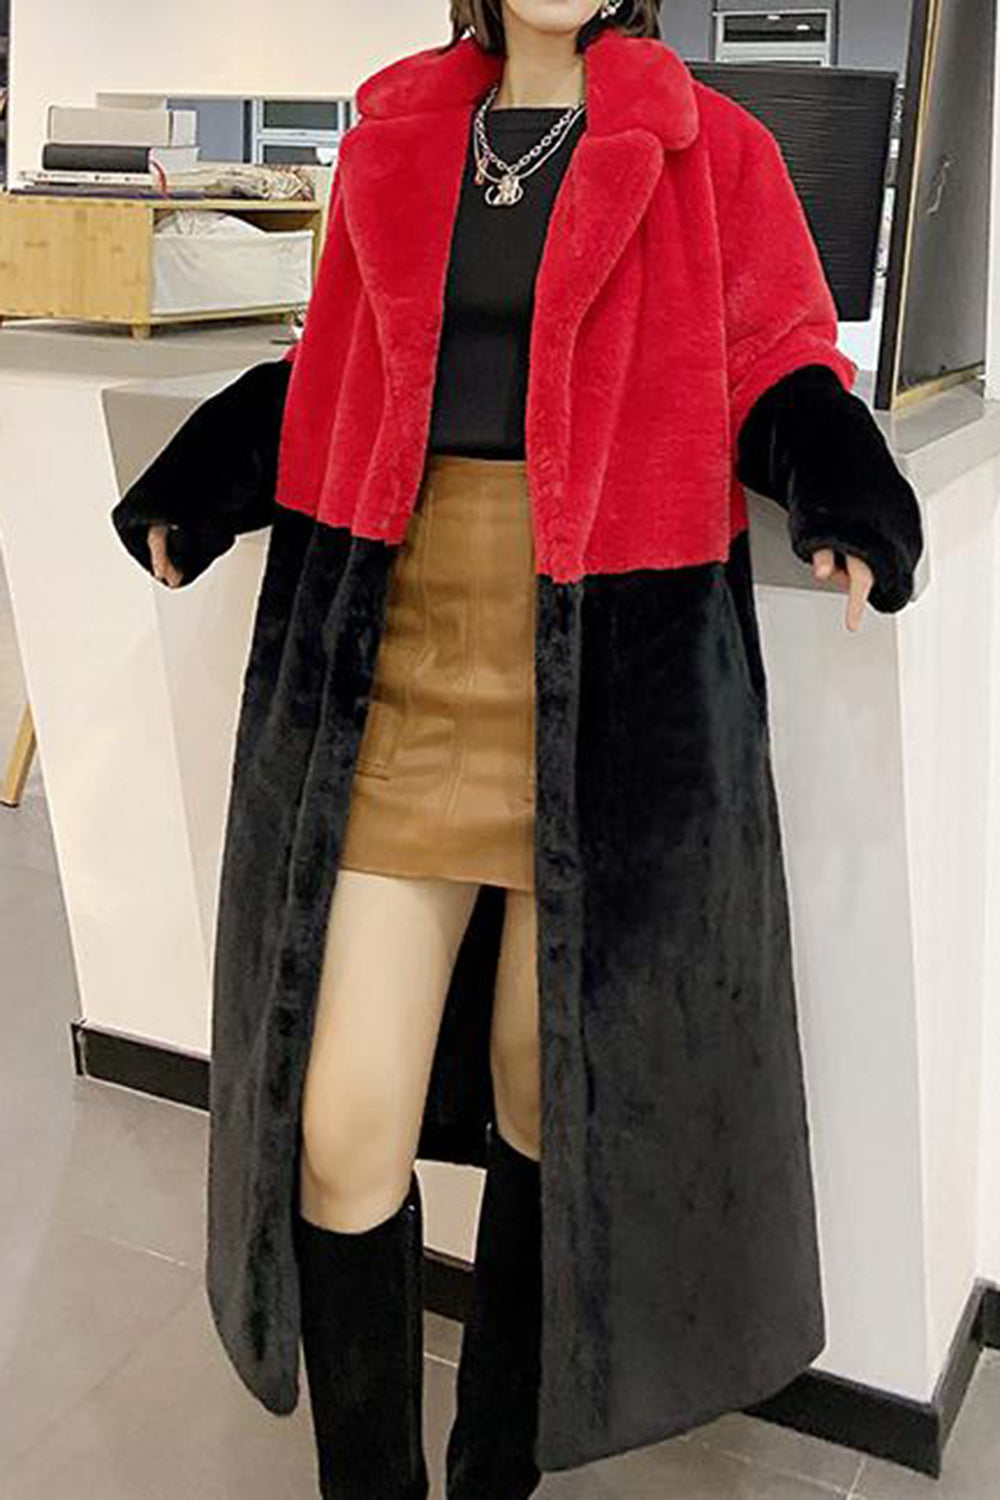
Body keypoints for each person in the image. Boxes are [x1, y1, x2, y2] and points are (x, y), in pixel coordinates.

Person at [111, 2, 924, 1497]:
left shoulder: (711, 150)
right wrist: (211, 473)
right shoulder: (397, 139)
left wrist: (844, 485)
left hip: (609, 688)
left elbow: (776, 362)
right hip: (398, 657)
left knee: (555, 1099)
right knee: (340, 1126)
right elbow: (339, 373)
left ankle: (495, 1471)